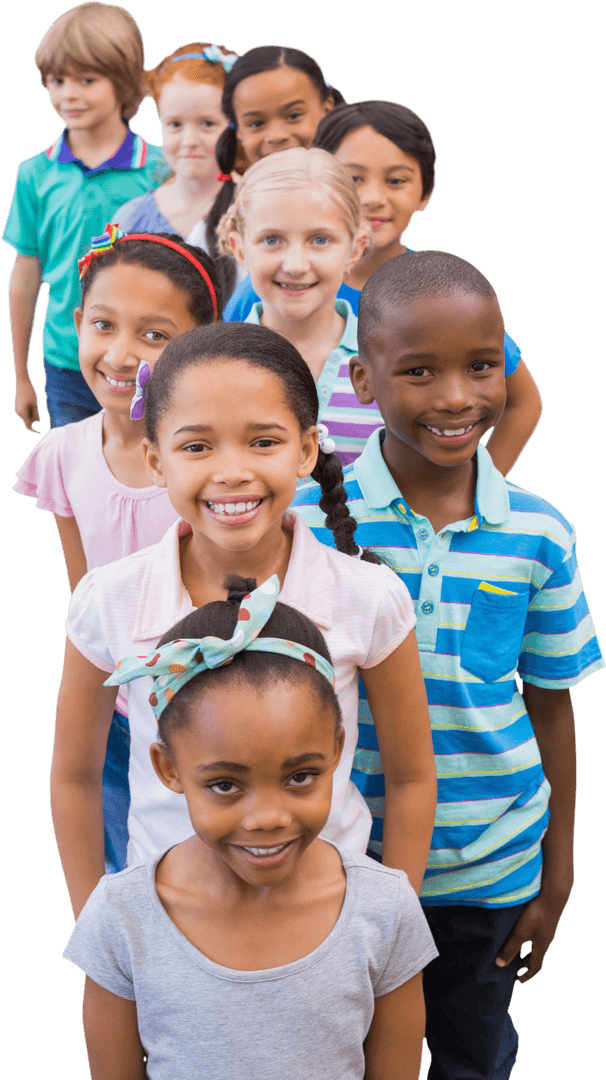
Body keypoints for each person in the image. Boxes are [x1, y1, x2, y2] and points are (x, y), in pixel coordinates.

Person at [292, 249, 604, 1080]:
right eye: (421, 371)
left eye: (481, 367)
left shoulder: (539, 533)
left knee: (472, 1058)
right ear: (363, 380)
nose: (458, 397)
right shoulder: (307, 527)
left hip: (490, 874)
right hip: (340, 867)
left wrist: (559, 871)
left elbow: (552, 703)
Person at [51, 321, 436, 921]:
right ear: (156, 460)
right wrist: (95, 925)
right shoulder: (110, 599)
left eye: (263, 442)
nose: (231, 471)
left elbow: (411, 777)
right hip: (168, 923)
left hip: (329, 920)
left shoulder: (368, 596)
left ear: (307, 449)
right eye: (197, 446)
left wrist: (392, 924)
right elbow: (75, 776)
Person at [63, 578, 438, 1079]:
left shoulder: (386, 910)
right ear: (169, 769)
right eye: (224, 785)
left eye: (300, 777)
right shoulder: (120, 919)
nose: (268, 818)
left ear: (338, 747)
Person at [15, 225, 221, 872]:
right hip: (117, 710)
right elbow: (86, 602)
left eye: (154, 336)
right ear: (75, 322)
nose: (121, 354)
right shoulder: (62, 454)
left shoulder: (213, 462)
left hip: (211, 704)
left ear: (199, 344)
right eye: (103, 325)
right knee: (121, 862)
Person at [227, 99, 542, 475]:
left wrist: (482, 491)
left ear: (426, 192)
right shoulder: (261, 291)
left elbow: (522, 399)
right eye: (354, 178)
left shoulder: (434, 294)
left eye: (396, 180)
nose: (373, 198)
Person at [3, 3, 164, 431]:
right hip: (67, 362)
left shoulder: (164, 171)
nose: (68, 94)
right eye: (57, 80)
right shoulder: (34, 175)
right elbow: (25, 276)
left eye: (86, 80)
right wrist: (20, 377)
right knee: (73, 483)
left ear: (124, 83)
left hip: (149, 361)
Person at [218, 146, 382, 467]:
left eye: (320, 240)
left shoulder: (386, 358)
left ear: (355, 249)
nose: (295, 265)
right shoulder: (213, 364)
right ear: (240, 250)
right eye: (271, 240)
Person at [205, 44, 344, 300]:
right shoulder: (215, 226)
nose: (277, 136)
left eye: (294, 115)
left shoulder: (360, 200)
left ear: (327, 108)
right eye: (256, 123)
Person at [115, 41, 245, 291]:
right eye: (175, 124)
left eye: (207, 123)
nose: (189, 142)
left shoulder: (257, 207)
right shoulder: (131, 220)